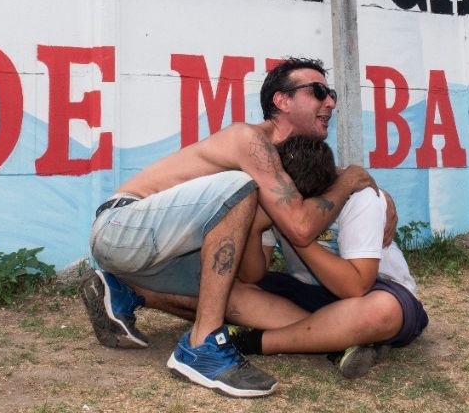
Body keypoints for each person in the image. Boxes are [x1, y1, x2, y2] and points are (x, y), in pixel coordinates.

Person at [82, 58, 373, 398]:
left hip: (158, 258)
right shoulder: (247, 141)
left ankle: (125, 290)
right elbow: (302, 226)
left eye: (331, 93)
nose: (331, 102)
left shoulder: (275, 173)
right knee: (239, 186)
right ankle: (202, 346)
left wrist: (374, 195)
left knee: (240, 291)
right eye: (319, 92)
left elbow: (253, 272)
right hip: (120, 228)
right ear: (282, 101)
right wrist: (347, 181)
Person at [227, 135, 428, 379]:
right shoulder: (271, 198)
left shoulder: (359, 198)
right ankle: (336, 336)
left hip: (375, 290)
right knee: (225, 288)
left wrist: (298, 231)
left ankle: (262, 341)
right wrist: (253, 230)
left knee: (383, 311)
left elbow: (356, 286)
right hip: (307, 292)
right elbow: (252, 275)